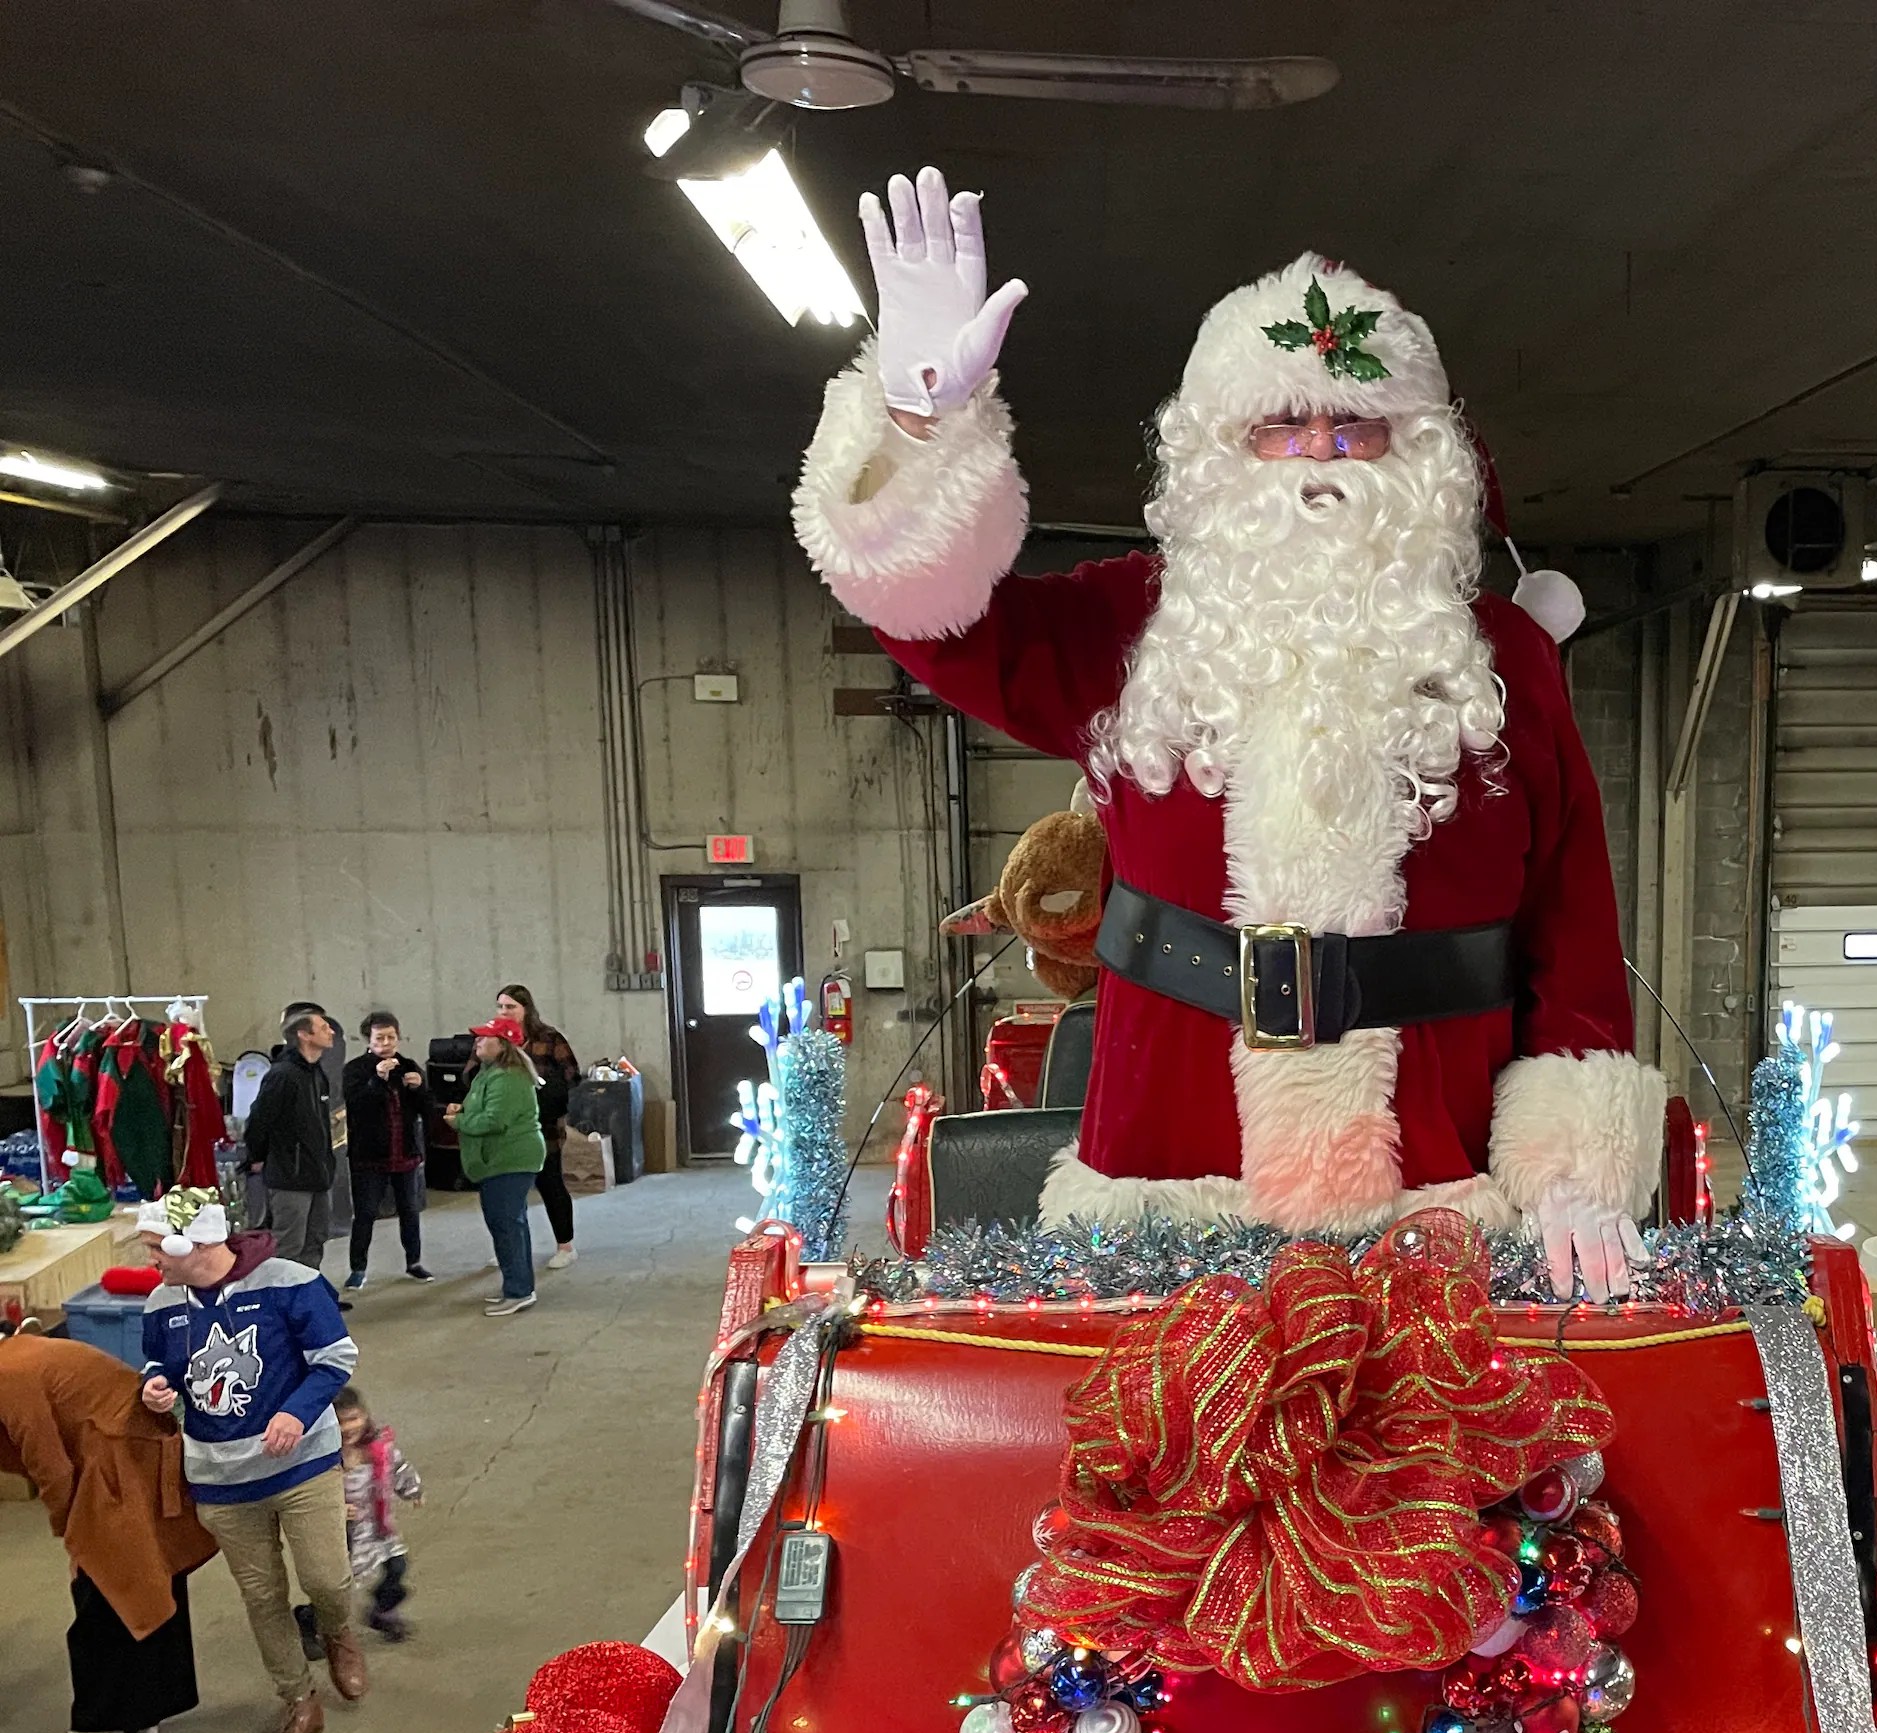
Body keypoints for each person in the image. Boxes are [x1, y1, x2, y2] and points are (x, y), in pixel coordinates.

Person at [791, 171, 1657, 1299]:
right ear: (1220, 452)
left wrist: (1574, 1169)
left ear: (1422, 458)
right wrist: (915, 429)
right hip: (1167, 1178)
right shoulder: (1132, 623)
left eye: (1357, 425)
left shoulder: (1502, 656)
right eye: (1282, 424)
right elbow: (939, 625)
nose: (1321, 456)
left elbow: (1573, 928)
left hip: (1439, 1193)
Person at [134, 1187, 365, 1733]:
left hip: (303, 1465)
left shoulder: (289, 1281)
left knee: (326, 1578)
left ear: (193, 1239)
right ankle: (298, 1702)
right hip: (219, 1479)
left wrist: (296, 1411)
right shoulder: (161, 1303)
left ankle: (337, 1631)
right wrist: (156, 1387)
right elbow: (159, 1361)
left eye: (155, 1246)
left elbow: (335, 1357)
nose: (151, 1261)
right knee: (262, 1596)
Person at [0, 1313, 216, 1733]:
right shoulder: (17, 1356)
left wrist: (67, 1527)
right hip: (125, 1442)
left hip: (119, 1451)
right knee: (145, 1573)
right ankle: (141, 1712)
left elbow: (49, 1465)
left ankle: (94, 1722)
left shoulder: (8, 1373)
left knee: (103, 1585)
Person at [241, 1004, 341, 1273]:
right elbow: (258, 1122)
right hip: (291, 1178)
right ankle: (283, 1307)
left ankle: (309, 1300)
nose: (330, 1031)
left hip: (319, 1175)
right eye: (323, 1027)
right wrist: (257, 1157)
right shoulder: (282, 1075)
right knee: (289, 1247)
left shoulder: (317, 1073)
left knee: (316, 1241)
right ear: (304, 1035)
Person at [455, 1019, 545, 1315]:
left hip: (510, 1160)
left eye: (485, 1038)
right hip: (499, 1161)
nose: (477, 1042)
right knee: (509, 1224)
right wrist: (463, 1110)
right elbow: (483, 1108)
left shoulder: (507, 1077)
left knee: (507, 1226)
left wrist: (459, 1122)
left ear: (503, 1044)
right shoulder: (488, 1074)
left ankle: (519, 1291)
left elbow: (495, 1120)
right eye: (477, 1038)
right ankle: (517, 1286)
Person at [341, 1011, 433, 1292]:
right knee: (366, 1213)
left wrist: (419, 1089)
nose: (387, 1042)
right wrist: (377, 1079)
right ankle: (358, 1268)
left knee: (410, 1209)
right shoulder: (356, 1069)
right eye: (380, 1037)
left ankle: (414, 1261)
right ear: (369, 1040)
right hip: (369, 1156)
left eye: (391, 1036)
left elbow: (426, 1110)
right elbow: (356, 1106)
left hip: (404, 1152)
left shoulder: (408, 1066)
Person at [492, 984, 581, 1271]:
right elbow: (473, 1074)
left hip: (544, 1127)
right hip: (504, 1130)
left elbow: (571, 1075)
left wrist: (545, 1098)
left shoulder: (549, 1038)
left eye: (510, 1007)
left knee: (551, 1184)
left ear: (525, 1009)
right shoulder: (492, 1039)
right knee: (507, 1194)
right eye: (501, 1007)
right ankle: (509, 1248)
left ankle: (565, 1245)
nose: (504, 1012)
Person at [333, 1387, 420, 1641]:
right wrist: (335, 1509)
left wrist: (413, 1490)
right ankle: (309, 1619)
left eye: (354, 1419)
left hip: (376, 1526)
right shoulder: (324, 1458)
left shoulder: (378, 1449)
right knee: (335, 1588)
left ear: (366, 1417)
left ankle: (382, 1610)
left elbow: (399, 1468)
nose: (348, 1427)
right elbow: (309, 1492)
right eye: (340, 1422)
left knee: (397, 1567)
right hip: (344, 1534)